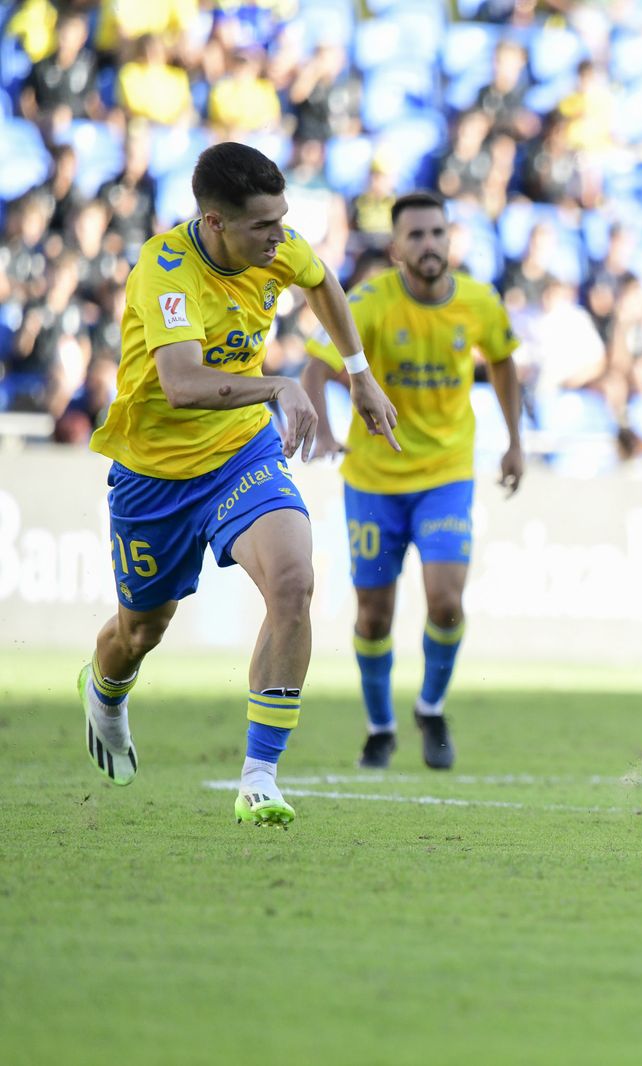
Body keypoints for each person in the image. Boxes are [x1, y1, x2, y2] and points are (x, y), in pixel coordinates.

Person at [78, 141, 400, 827]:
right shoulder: (166, 272)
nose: (280, 237)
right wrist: (280, 382)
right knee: (140, 632)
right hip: (154, 475)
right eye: (264, 225)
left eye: (283, 220)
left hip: (239, 450)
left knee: (293, 582)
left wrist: (359, 371)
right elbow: (182, 382)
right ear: (216, 222)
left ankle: (259, 777)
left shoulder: (273, 246)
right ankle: (105, 691)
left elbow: (322, 283)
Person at [303, 192, 522, 771]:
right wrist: (322, 430)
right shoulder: (370, 302)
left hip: (446, 475)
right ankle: (380, 727)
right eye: (416, 236)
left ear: (450, 240)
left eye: (437, 233)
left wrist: (515, 442)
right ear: (397, 248)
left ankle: (430, 708)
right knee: (373, 614)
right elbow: (315, 367)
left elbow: (501, 360)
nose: (429, 245)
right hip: (373, 479)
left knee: (446, 602)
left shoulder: (478, 301)